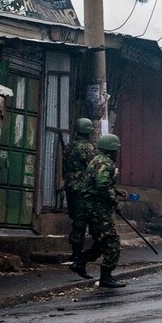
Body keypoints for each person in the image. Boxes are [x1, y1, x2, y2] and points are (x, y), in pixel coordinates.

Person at [77, 133, 126, 288]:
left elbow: (100, 183)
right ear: (112, 150)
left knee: (101, 242)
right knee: (112, 242)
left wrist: (116, 191)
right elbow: (102, 186)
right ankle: (106, 277)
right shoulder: (104, 163)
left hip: (92, 208)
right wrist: (115, 202)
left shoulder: (97, 160)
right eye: (116, 149)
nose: (118, 152)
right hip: (98, 210)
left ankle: (80, 262)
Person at [63, 118, 96, 279]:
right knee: (81, 222)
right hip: (83, 189)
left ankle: (75, 253)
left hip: (70, 187)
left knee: (76, 220)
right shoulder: (87, 147)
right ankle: (78, 257)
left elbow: (64, 168)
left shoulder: (69, 147)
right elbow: (93, 168)